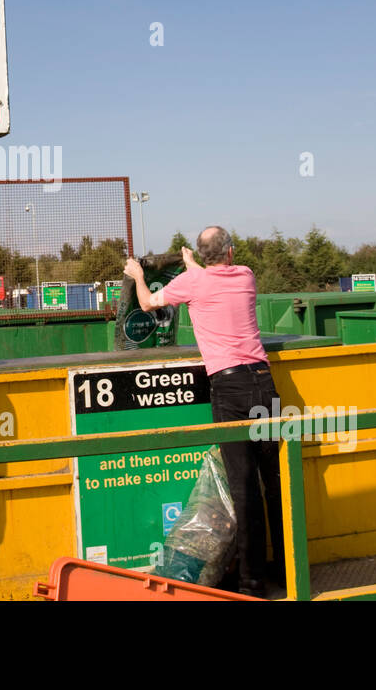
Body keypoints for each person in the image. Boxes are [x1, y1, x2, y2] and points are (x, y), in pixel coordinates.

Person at [123, 226, 282, 597]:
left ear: (201, 255)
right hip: (264, 382)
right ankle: (288, 571)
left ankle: (251, 584)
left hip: (229, 389)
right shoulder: (246, 275)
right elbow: (212, 280)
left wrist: (138, 276)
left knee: (243, 489)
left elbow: (147, 304)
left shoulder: (191, 285)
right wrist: (194, 264)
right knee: (275, 483)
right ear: (229, 253)